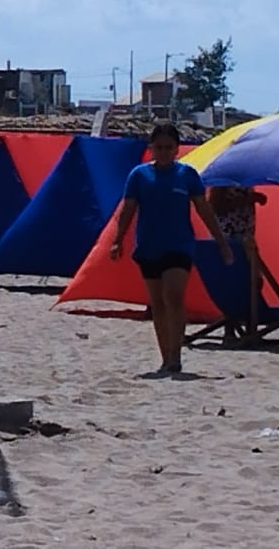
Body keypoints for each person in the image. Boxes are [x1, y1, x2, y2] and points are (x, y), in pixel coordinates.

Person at [109, 122, 232, 374]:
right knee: (158, 303)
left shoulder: (187, 175)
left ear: (177, 149)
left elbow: (204, 209)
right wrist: (117, 239)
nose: (164, 152)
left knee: (173, 296)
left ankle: (176, 355)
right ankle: (166, 357)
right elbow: (128, 209)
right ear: (151, 148)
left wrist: (221, 242)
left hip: (179, 245)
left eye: (169, 147)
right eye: (159, 147)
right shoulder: (139, 176)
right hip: (149, 245)